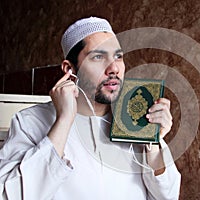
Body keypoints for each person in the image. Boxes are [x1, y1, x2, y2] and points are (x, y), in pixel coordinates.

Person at [0, 17, 181, 199]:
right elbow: (9, 195)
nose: (114, 68)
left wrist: (153, 142)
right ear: (69, 70)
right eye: (98, 57)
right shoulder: (29, 122)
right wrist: (64, 120)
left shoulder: (135, 120)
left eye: (118, 56)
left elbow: (167, 196)